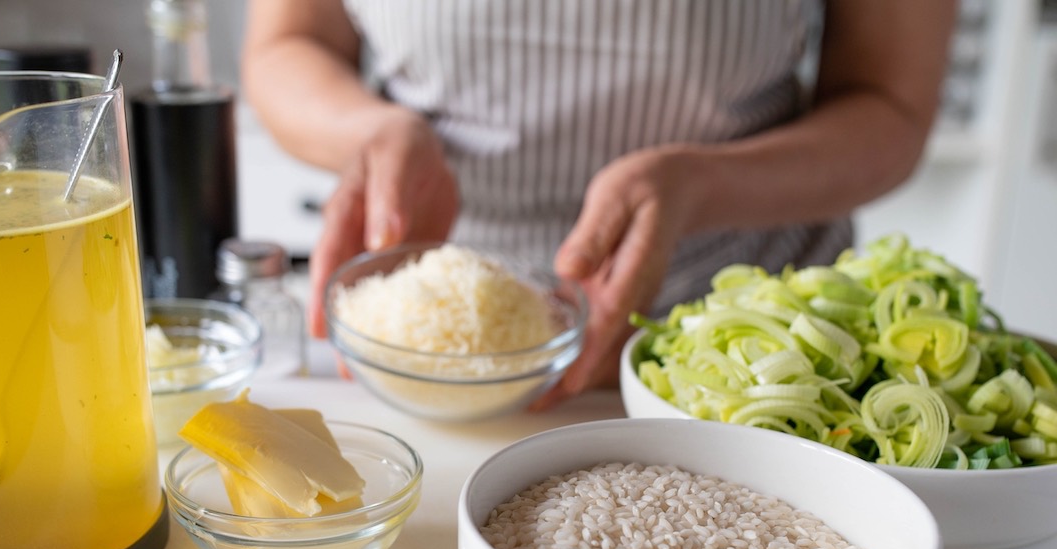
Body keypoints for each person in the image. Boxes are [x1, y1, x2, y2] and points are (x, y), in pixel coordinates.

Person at [241, 0, 957, 407]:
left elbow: (890, 104)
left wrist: (704, 184)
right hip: (430, 345)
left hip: (746, 349)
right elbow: (288, 42)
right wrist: (371, 131)